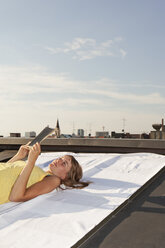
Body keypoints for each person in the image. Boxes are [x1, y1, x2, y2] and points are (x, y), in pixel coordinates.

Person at [0, 143, 89, 205]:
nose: (59, 161)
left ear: (65, 176)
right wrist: (18, 156)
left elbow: (16, 197)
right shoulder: (40, 172)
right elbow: (6, 168)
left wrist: (31, 162)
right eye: (61, 158)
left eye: (64, 163)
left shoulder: (54, 180)